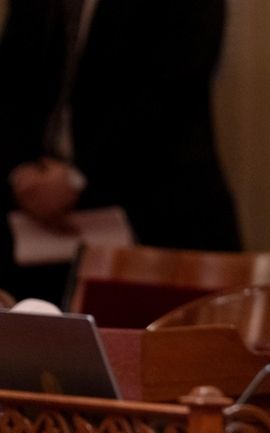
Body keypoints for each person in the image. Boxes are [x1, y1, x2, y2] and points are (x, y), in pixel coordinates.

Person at [0, 0, 241, 305]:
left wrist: (76, 179)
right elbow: (11, 86)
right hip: (35, 230)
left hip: (155, 215)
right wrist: (20, 173)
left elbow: (170, 93)